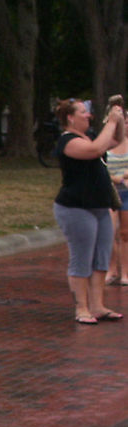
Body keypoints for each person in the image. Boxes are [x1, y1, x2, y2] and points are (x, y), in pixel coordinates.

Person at [52, 97, 125, 324]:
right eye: (83, 112)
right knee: (82, 257)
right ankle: (81, 308)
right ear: (70, 118)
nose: (88, 116)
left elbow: (116, 139)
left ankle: (98, 305)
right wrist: (111, 121)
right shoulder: (68, 141)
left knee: (102, 257)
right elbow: (94, 150)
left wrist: (118, 117)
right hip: (76, 208)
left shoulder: (91, 135)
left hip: (100, 206)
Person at [104, 97, 128, 285]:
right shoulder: (106, 144)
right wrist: (115, 178)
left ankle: (125, 273)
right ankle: (111, 269)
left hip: (126, 192)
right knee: (110, 232)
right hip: (110, 191)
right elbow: (100, 166)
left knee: (125, 233)